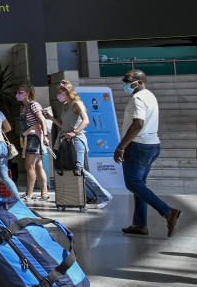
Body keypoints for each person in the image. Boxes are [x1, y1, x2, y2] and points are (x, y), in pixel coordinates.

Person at [116, 70, 182, 237]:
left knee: (132, 183)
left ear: (138, 82)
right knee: (139, 185)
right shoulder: (150, 95)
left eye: (128, 80)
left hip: (138, 146)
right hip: (152, 145)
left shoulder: (138, 98)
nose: (124, 82)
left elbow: (138, 124)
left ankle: (168, 212)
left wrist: (122, 146)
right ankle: (140, 224)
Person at [55, 80, 112, 208]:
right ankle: (90, 196)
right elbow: (64, 125)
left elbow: (86, 121)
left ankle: (103, 195)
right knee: (72, 169)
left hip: (77, 140)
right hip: (66, 140)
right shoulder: (65, 106)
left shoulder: (77, 104)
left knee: (79, 169)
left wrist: (74, 132)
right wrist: (52, 119)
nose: (59, 95)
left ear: (68, 91)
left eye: (61, 92)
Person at [18, 85, 50, 203]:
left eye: (20, 92)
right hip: (28, 137)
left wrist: (45, 135)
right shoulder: (23, 107)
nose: (18, 94)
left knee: (29, 166)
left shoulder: (34, 105)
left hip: (34, 138)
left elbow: (42, 120)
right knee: (38, 166)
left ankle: (29, 194)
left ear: (27, 93)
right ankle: (44, 194)